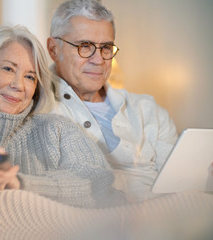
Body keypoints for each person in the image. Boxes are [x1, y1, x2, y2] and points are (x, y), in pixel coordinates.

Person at [0, 25, 124, 209]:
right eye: (8, 68)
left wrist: (20, 185)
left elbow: (96, 179)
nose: (18, 85)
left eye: (30, 76)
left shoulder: (58, 129)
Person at [45, 0, 178, 202]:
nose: (99, 60)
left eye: (106, 48)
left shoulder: (148, 110)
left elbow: (179, 183)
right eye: (85, 46)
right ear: (54, 49)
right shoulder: (38, 107)